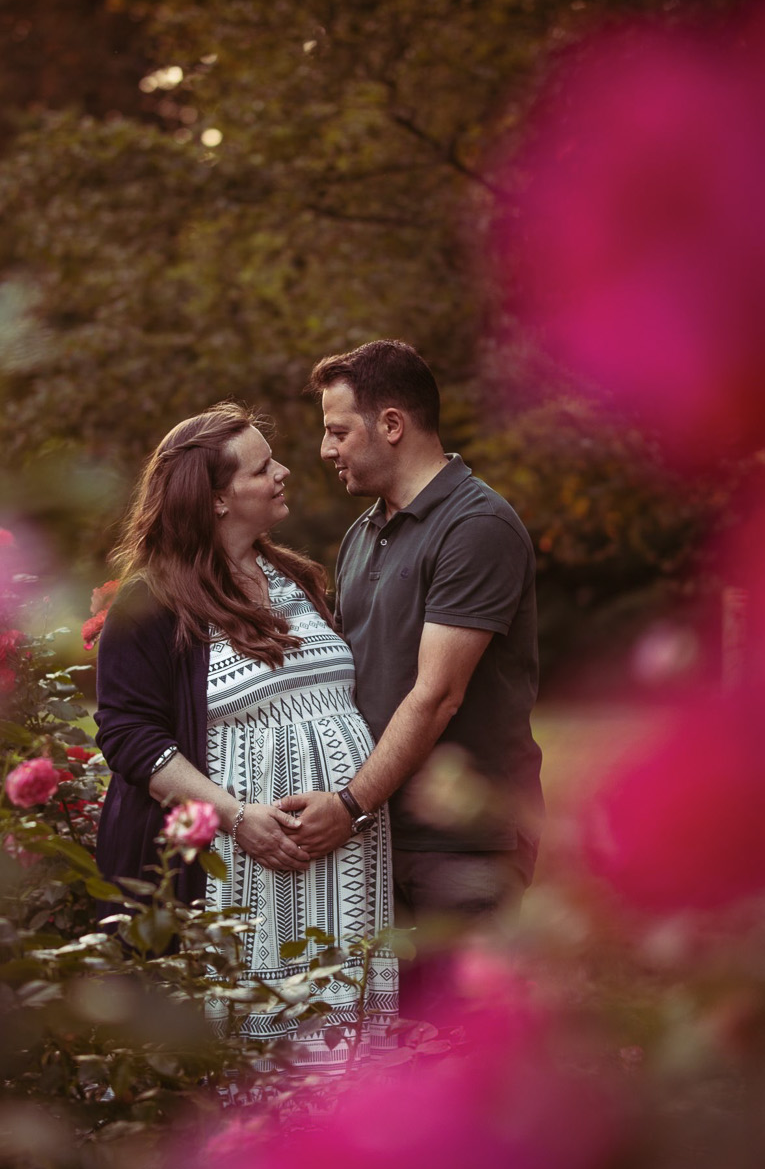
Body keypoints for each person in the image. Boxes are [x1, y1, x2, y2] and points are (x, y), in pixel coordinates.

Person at [92, 402, 399, 1063]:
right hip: (243, 866)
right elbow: (127, 733)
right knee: (255, 1061)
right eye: (264, 468)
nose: (285, 472)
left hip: (340, 867)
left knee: (340, 1050)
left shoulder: (296, 577)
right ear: (216, 500)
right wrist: (235, 817)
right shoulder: (153, 600)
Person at [277, 340, 542, 1008]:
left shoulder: (475, 526)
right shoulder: (362, 533)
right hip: (383, 837)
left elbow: (437, 694)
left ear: (391, 424)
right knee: (394, 1051)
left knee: (461, 1048)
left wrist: (348, 805)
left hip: (462, 844)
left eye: (338, 431)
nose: (325, 450)